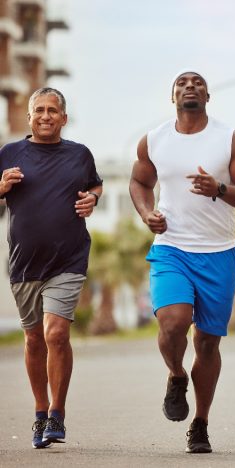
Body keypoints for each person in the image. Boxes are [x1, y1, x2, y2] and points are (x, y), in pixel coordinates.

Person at [129, 69, 235, 454]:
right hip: (171, 247)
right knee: (173, 323)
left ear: (208, 96)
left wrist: (220, 189)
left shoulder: (229, 139)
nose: (190, 86)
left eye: (198, 83)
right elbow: (139, 182)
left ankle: (200, 423)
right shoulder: (154, 140)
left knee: (206, 344)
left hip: (219, 252)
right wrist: (146, 213)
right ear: (172, 96)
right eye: (182, 83)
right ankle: (176, 374)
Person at [0, 87, 103, 448]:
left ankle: (57, 414)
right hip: (24, 262)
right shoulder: (10, 153)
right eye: (39, 110)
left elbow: (95, 186)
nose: (46, 116)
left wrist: (92, 198)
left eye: (53, 110)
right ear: (29, 117)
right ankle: (40, 411)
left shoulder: (79, 154)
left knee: (55, 333)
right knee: (33, 338)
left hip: (69, 257)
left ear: (64, 117)